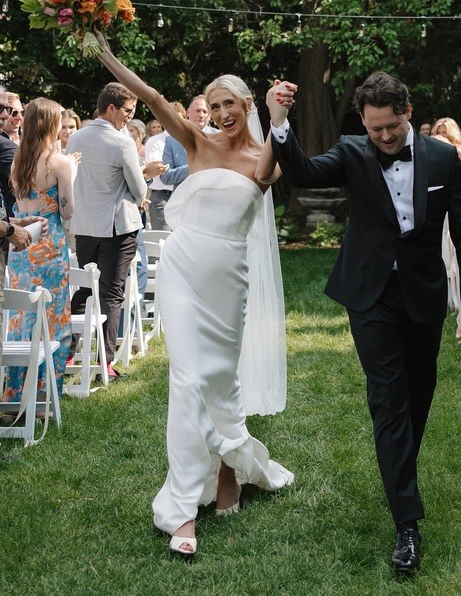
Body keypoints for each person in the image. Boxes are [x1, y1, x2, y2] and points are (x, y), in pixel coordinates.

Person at [267, 71, 461, 577]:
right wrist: (279, 122)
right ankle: (407, 523)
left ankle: (398, 469)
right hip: (370, 293)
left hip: (424, 293)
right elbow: (302, 171)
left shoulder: (442, 158)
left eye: (391, 126)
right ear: (363, 122)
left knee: (418, 393)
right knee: (388, 397)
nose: (384, 136)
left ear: (407, 113)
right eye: (374, 128)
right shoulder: (351, 151)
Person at [94, 32, 293, 559]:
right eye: (215, 105)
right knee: (186, 379)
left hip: (228, 279)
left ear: (246, 107)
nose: (222, 114)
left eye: (231, 105)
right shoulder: (196, 143)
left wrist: (278, 115)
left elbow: (269, 169)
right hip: (181, 270)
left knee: (221, 380)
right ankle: (180, 507)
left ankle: (229, 474)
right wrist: (107, 56)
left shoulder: (264, 157)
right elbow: (153, 97)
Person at [67, 83, 148, 382]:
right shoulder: (122, 142)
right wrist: (141, 192)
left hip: (85, 226)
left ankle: (67, 353)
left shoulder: (75, 136)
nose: (130, 116)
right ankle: (106, 364)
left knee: (86, 288)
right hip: (117, 227)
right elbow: (139, 189)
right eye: (127, 110)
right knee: (112, 294)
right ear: (111, 108)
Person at [3, 98, 77, 401]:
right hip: (50, 245)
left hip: (21, 247)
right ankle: (45, 392)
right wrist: (73, 173)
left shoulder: (18, 160)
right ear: (52, 124)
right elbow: (67, 211)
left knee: (22, 315)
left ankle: (16, 391)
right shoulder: (59, 162)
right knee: (52, 314)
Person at [161, 96, 215, 191]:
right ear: (188, 113)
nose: (201, 115)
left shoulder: (220, 137)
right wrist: (193, 166)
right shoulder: (172, 140)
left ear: (210, 116)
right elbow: (166, 177)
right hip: (184, 197)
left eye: (205, 112)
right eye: (198, 111)